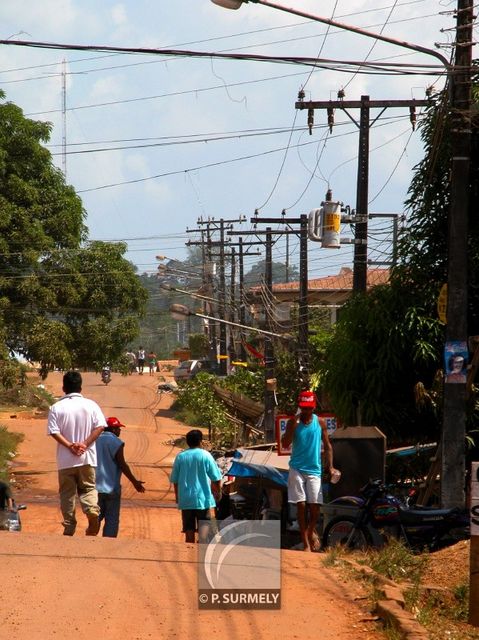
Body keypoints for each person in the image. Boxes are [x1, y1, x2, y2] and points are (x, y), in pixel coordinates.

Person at [47, 370, 107, 536]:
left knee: (67, 494)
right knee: (88, 489)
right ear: (80, 387)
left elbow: (53, 431)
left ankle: (69, 525)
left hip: (65, 461)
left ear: (63, 388)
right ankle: (92, 511)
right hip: (87, 458)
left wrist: (70, 446)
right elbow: (100, 426)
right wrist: (85, 444)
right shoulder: (91, 405)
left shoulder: (56, 407)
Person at [281, 390, 337, 552]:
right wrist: (293, 425)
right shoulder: (293, 422)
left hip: (314, 469)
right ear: (300, 407)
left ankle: (311, 531)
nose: (306, 411)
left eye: (309, 408)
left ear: (313, 408)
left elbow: (328, 447)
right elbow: (285, 444)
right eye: (303, 408)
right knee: (301, 505)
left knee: (315, 507)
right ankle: (306, 543)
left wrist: (331, 466)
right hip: (297, 468)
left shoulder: (320, 423)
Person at [95, 416, 145, 537]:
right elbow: (122, 464)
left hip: (94, 488)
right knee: (111, 520)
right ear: (113, 429)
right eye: (118, 428)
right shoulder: (117, 442)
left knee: (95, 517)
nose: (119, 431)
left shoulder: (93, 440)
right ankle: (107, 546)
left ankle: (91, 542)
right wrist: (135, 482)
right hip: (112, 488)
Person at [170, 429, 221, 543]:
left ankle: (189, 550)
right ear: (200, 441)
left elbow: (175, 480)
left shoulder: (181, 457)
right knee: (204, 527)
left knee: (189, 528)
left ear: (187, 442)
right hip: (203, 499)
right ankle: (201, 547)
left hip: (186, 499)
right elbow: (216, 477)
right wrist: (217, 492)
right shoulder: (206, 455)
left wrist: (178, 497)